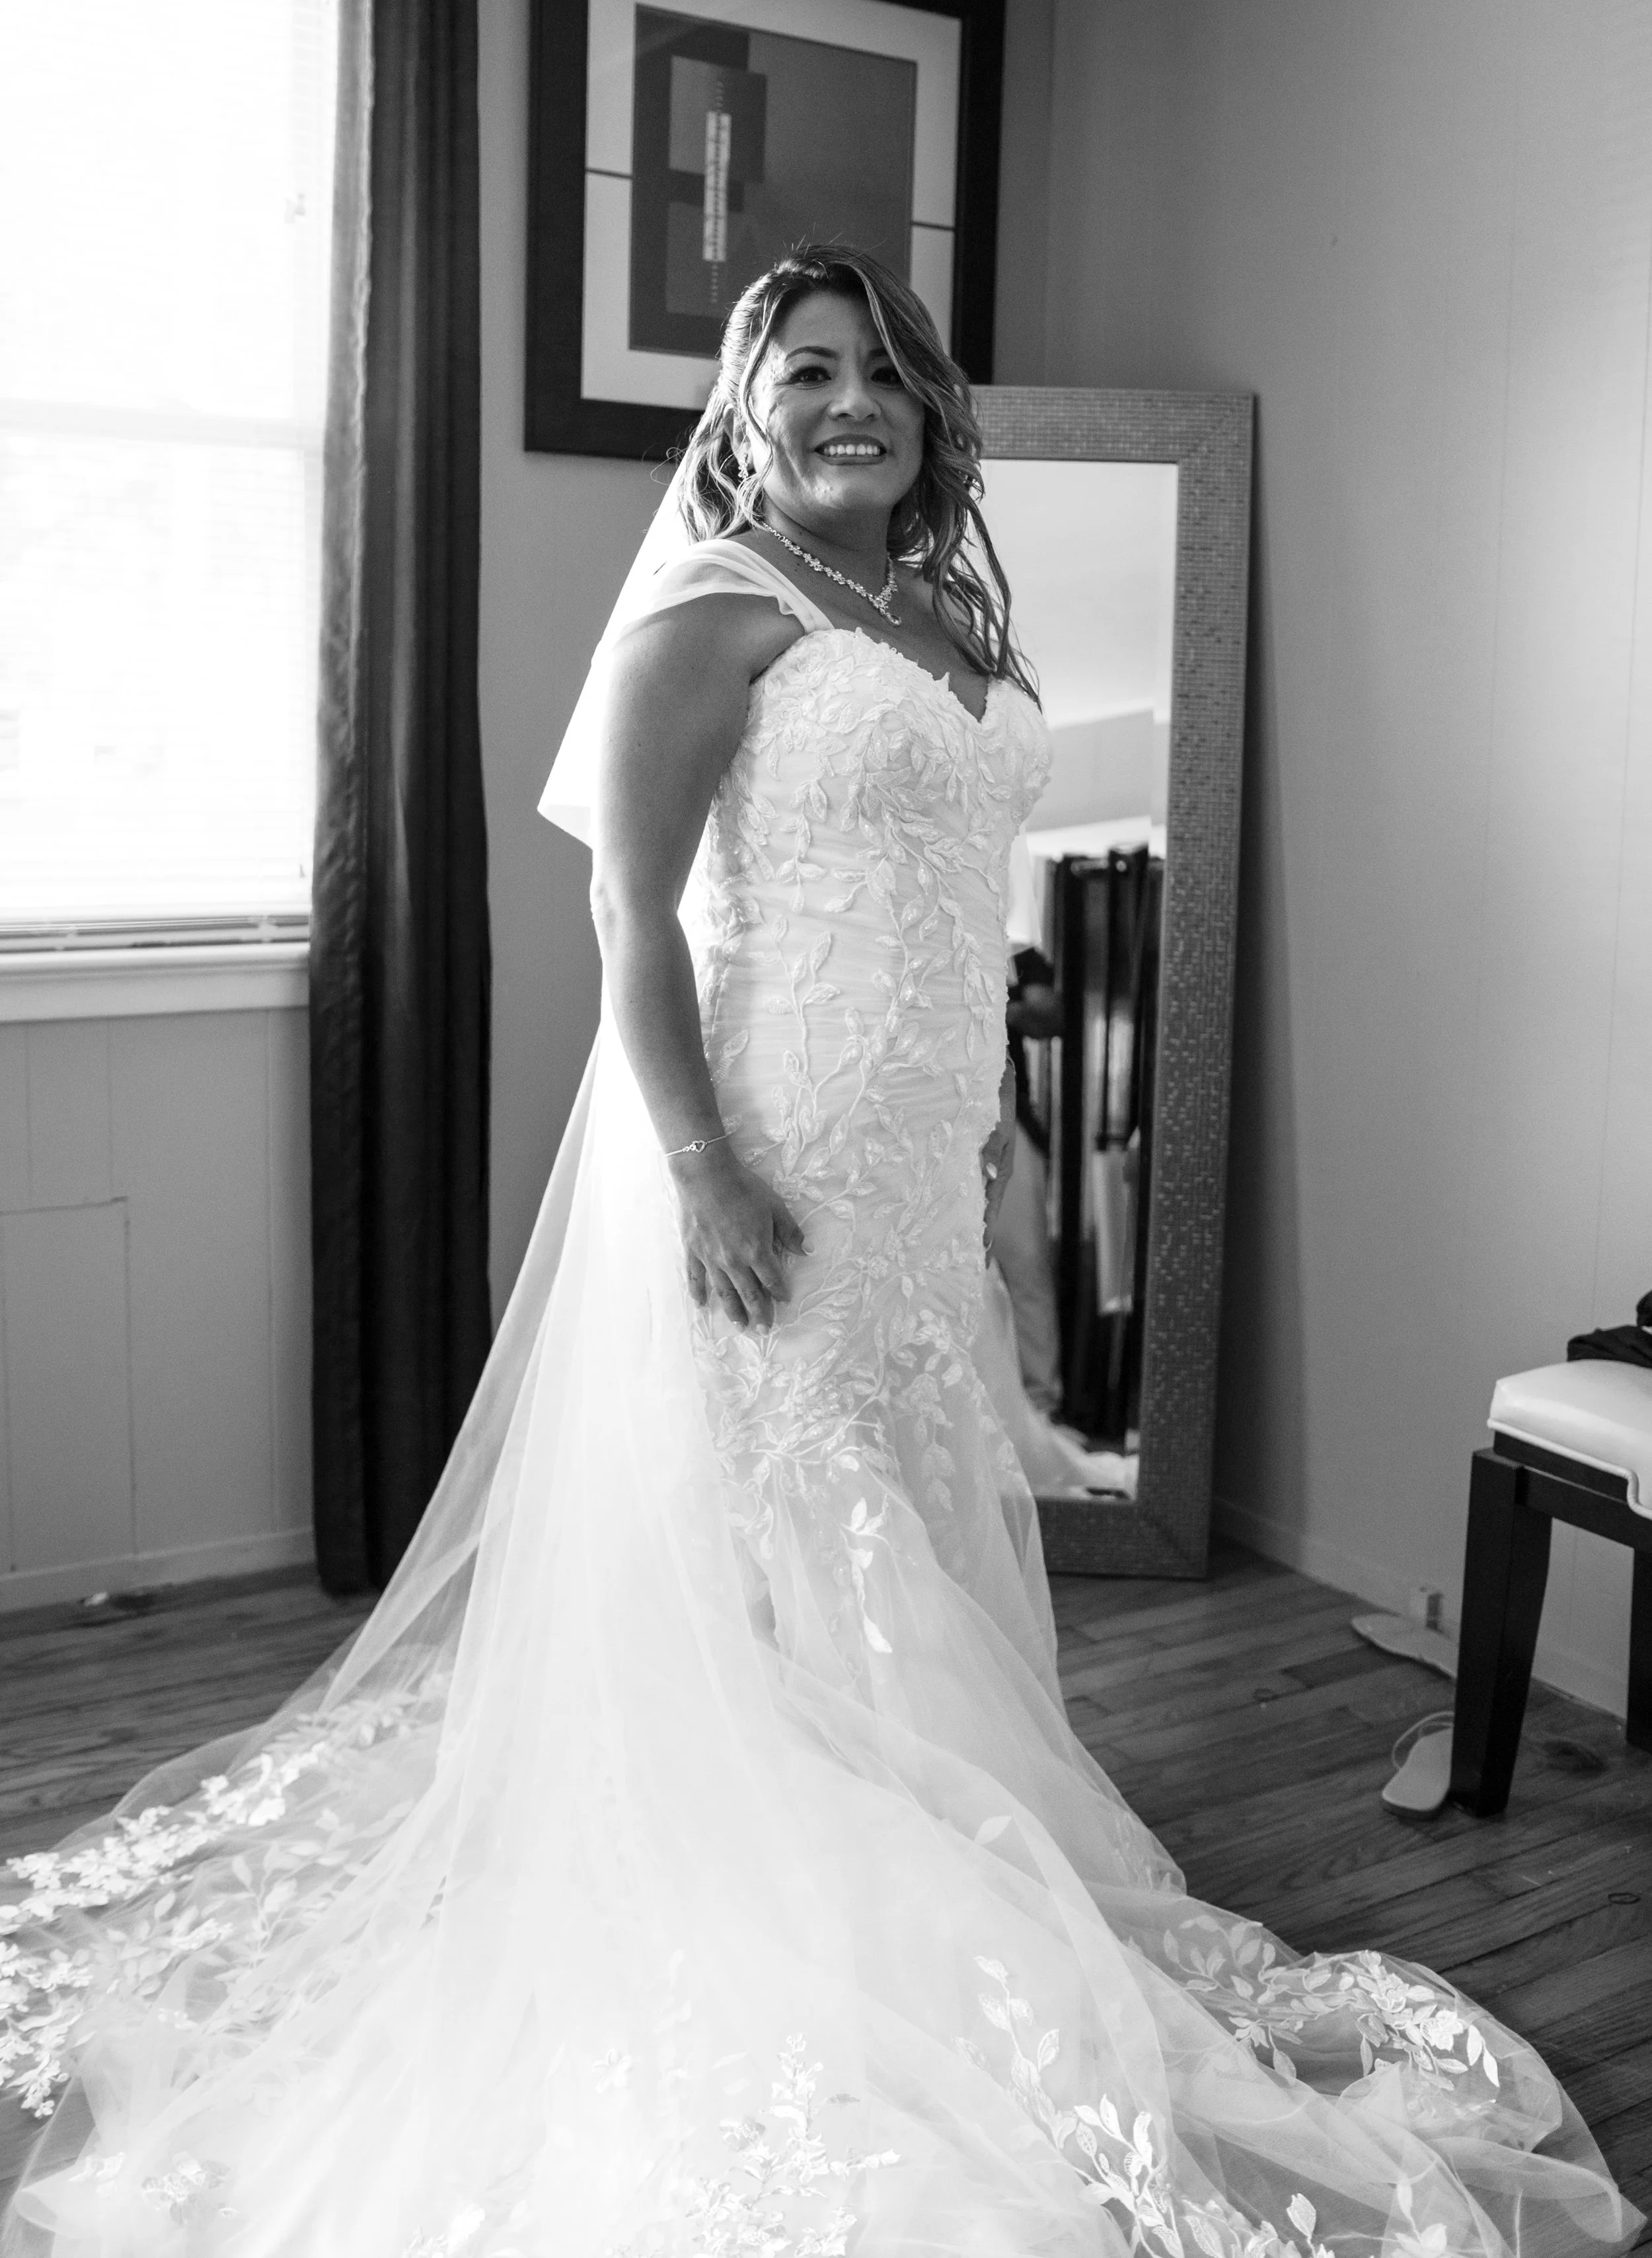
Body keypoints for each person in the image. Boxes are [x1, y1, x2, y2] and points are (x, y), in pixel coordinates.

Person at [0, 245, 1635, 2258]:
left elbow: (949, 860)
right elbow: (628, 922)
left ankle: (898, 1832)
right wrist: (701, 1167)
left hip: (914, 1157)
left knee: (889, 1524)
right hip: (772, 1152)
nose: (848, 400)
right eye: (803, 374)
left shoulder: (936, 604)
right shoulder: (713, 607)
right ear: (743, 417)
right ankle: (794, 1895)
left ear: (932, 407)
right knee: (774, 1545)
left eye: (880, 371)